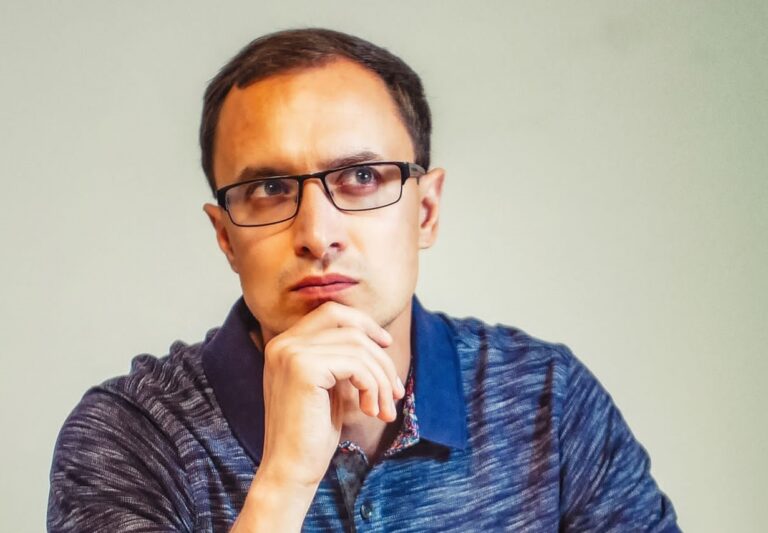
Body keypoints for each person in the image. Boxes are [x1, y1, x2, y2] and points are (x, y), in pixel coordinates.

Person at [48, 28, 680, 532]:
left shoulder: (549, 401)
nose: (317, 233)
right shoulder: (132, 433)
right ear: (226, 238)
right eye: (270, 188)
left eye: (361, 178)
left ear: (425, 211)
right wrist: (283, 482)